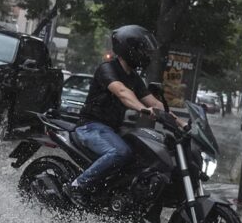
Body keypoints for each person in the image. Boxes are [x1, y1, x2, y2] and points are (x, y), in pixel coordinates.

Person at [64, 25, 184, 206]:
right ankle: (77, 185)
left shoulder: (135, 78)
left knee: (145, 155)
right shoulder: (107, 69)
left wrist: (181, 123)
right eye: (142, 50)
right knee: (120, 152)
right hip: (90, 126)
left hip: (112, 129)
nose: (146, 55)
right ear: (130, 50)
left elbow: (155, 103)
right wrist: (142, 109)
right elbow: (121, 92)